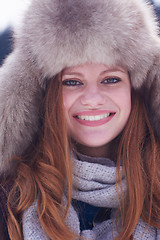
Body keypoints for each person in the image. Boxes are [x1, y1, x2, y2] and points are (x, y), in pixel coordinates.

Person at [0, 0, 160, 239]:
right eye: (72, 82)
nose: (92, 99)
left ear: (136, 90)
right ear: (44, 94)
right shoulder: (9, 201)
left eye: (111, 79)